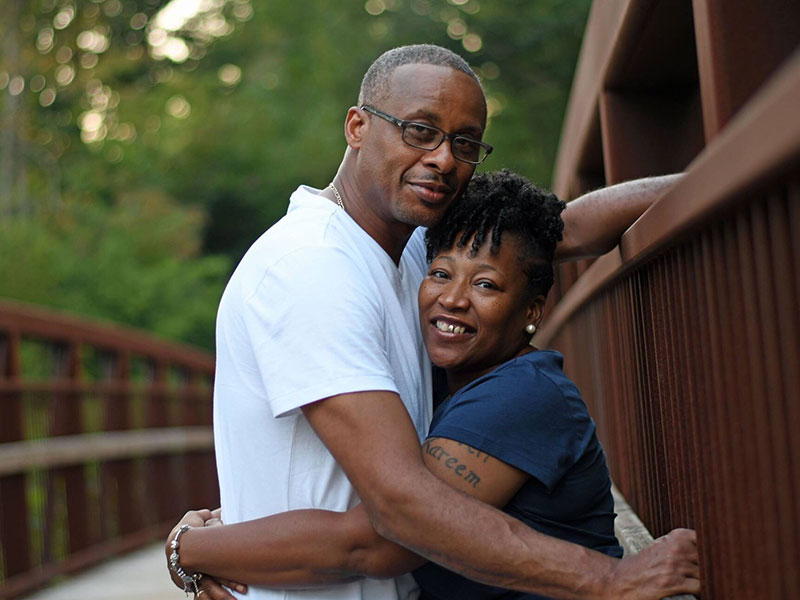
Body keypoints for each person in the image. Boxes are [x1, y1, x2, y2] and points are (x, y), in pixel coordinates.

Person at [166, 44, 699, 600]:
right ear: (357, 126)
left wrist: (712, 172)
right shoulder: (313, 267)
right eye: (419, 130)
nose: (444, 159)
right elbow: (396, 515)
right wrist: (608, 579)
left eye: (465, 143)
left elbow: (563, 230)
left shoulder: (418, 251)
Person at [167, 170, 638, 600]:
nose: (452, 299)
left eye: (487, 286)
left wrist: (192, 549)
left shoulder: (517, 396)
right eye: (440, 273)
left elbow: (379, 543)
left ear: (532, 311)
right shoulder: (452, 376)